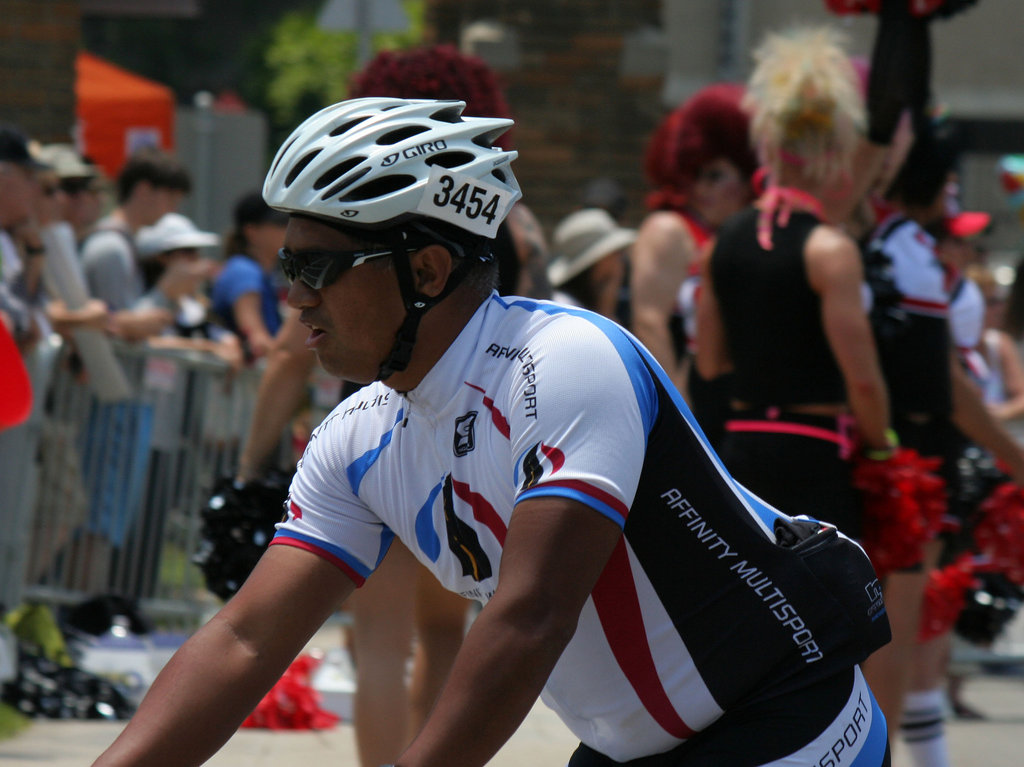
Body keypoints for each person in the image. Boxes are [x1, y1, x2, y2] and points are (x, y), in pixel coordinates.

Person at [92, 96, 893, 767]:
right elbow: (243, 639)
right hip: (632, 746)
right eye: (285, 267)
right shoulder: (357, 436)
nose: (293, 297)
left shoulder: (565, 360)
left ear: (429, 271)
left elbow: (530, 617)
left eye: (317, 267)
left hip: (788, 715)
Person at [696, 21, 891, 557]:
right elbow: (864, 382)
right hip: (814, 455)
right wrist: (882, 452)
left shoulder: (722, 242)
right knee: (831, 624)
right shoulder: (830, 249)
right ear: (834, 148)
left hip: (742, 451)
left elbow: (709, 361)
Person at [628, 82, 757, 449]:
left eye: (716, 175)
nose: (702, 187)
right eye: (697, 174)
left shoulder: (739, 237)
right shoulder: (670, 229)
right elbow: (648, 323)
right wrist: (681, 422)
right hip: (689, 407)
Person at [80, 146, 193, 341]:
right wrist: (166, 289)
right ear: (143, 190)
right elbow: (118, 328)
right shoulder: (111, 247)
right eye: (170, 199)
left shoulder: (123, 243)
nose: (173, 209)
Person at [210, 192, 288, 361]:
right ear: (251, 231)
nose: (289, 228)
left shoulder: (261, 272)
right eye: (281, 222)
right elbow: (256, 340)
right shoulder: (244, 271)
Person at [548, 207, 635, 320]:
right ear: (600, 262)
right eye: (616, 252)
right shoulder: (566, 312)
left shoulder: (586, 306)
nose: (621, 259)